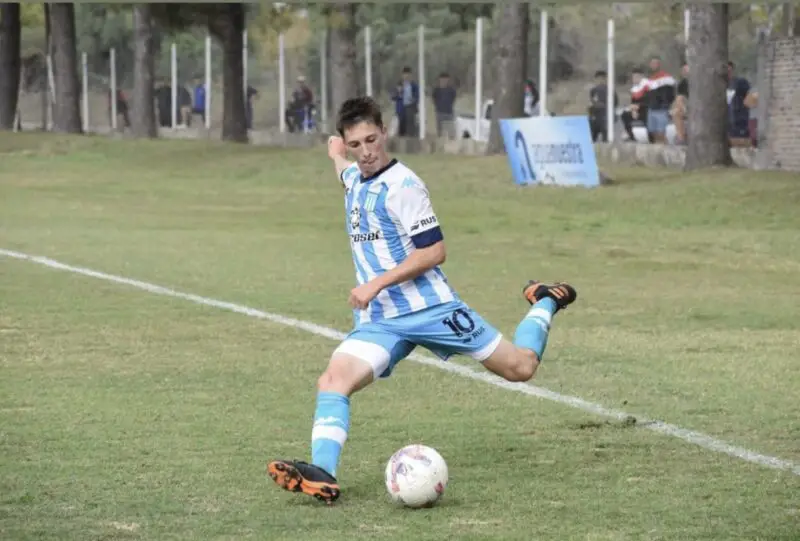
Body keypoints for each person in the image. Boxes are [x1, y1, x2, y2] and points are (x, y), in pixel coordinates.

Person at [266, 96, 579, 504]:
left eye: (372, 140)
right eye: (356, 144)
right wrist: (335, 155)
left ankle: (544, 300)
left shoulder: (404, 186)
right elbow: (344, 169)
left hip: (433, 310)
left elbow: (433, 251)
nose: (366, 151)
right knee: (333, 381)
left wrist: (375, 284)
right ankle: (324, 473)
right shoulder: (354, 177)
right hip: (382, 321)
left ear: (385, 131)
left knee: (521, 368)